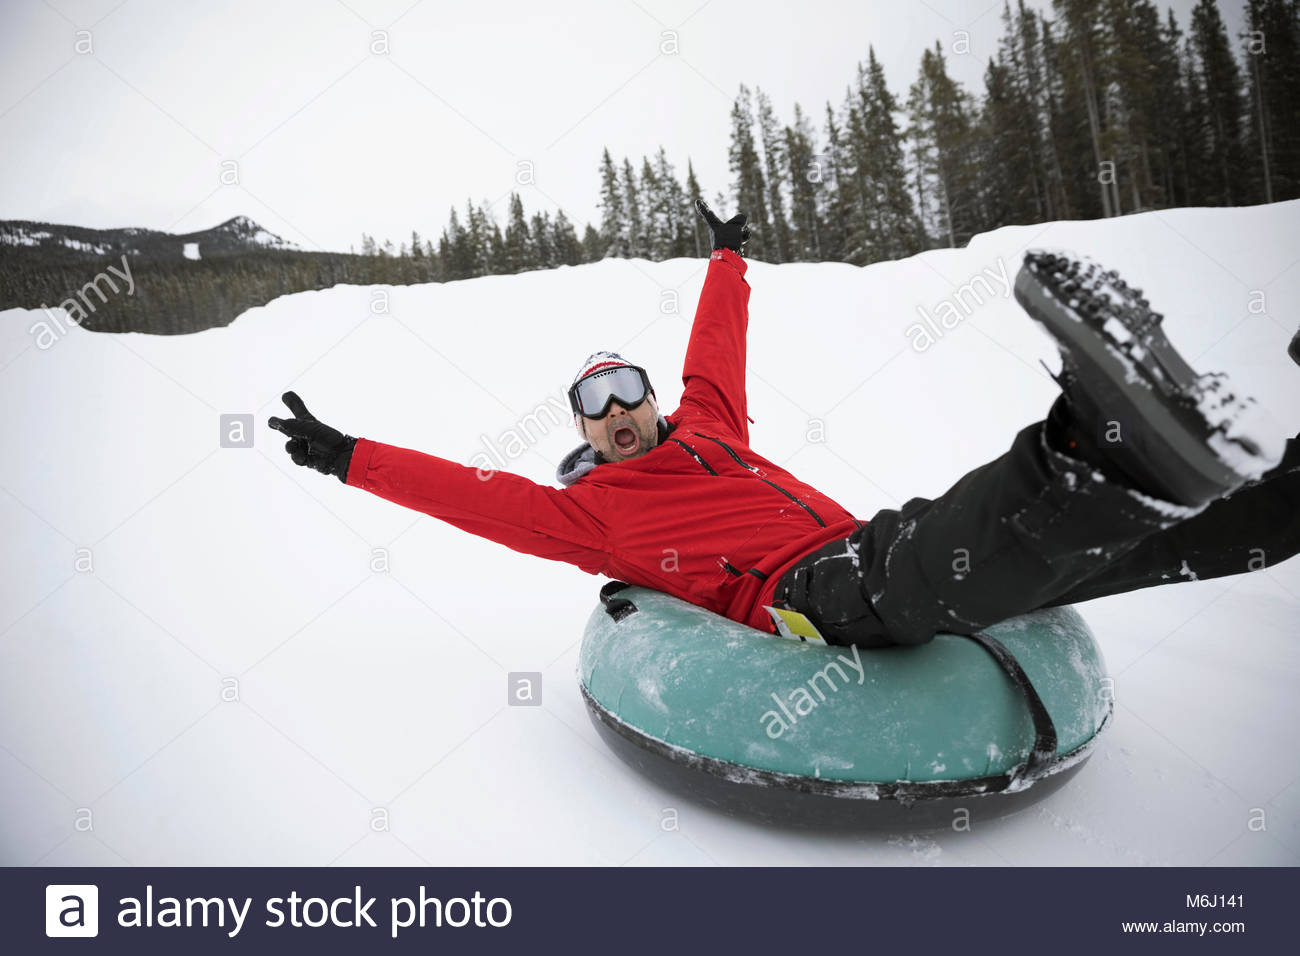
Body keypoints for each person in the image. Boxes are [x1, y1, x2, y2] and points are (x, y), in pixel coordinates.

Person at [269, 201, 1300, 648]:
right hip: (812, 600)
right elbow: (474, 496)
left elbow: (716, 345)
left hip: (860, 541)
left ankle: (1268, 490)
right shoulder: (587, 514)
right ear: (583, 433)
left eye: (627, 386)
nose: (621, 409)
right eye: (595, 402)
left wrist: (724, 258)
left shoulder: (705, 421)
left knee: (1076, 559)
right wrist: (351, 456)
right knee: (922, 557)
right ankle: (1090, 443)